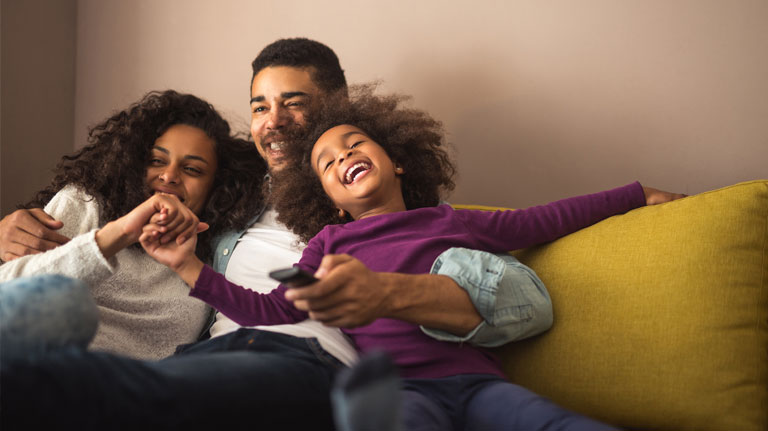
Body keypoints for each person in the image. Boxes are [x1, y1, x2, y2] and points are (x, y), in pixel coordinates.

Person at [0, 39, 554, 430]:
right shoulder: (228, 194)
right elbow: (142, 209)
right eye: (260, 106)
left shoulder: (378, 205)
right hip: (213, 357)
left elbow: (524, 302)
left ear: (340, 111)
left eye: (295, 103)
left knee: (125, 394)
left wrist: (387, 293)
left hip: (304, 361)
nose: (273, 121)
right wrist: (15, 225)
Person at [139, 86, 685, 430]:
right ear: (326, 198)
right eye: (327, 163)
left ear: (396, 161)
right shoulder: (330, 246)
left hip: (480, 384)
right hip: (399, 392)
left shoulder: (452, 220)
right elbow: (273, 310)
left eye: (354, 144)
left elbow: (547, 218)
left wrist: (636, 195)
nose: (344, 156)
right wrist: (188, 265)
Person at [0, 90, 265, 360]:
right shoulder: (86, 203)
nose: (169, 176)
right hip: (35, 368)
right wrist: (122, 232)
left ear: (216, 187)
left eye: (192, 169)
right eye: (156, 161)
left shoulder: (207, 258)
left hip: (129, 393)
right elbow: (9, 295)